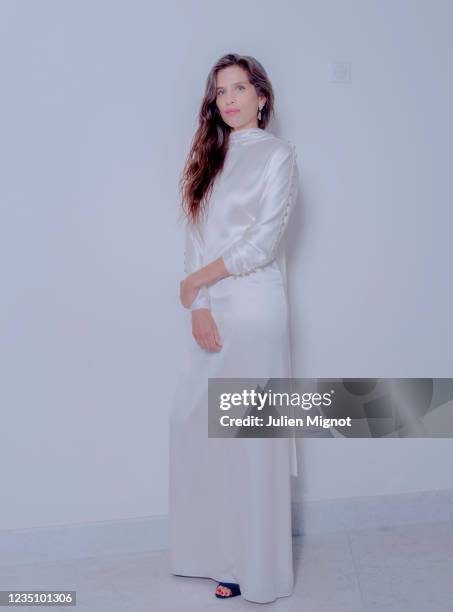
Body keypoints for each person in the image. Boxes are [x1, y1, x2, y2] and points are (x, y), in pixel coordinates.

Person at [168, 53, 299, 604]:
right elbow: (197, 232)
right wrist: (198, 303)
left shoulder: (277, 155)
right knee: (196, 427)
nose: (229, 99)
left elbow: (263, 242)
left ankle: (257, 567)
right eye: (220, 91)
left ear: (262, 97)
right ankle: (217, 554)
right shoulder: (211, 157)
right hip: (214, 308)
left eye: (239, 88)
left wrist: (197, 279)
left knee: (249, 438)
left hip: (254, 311)